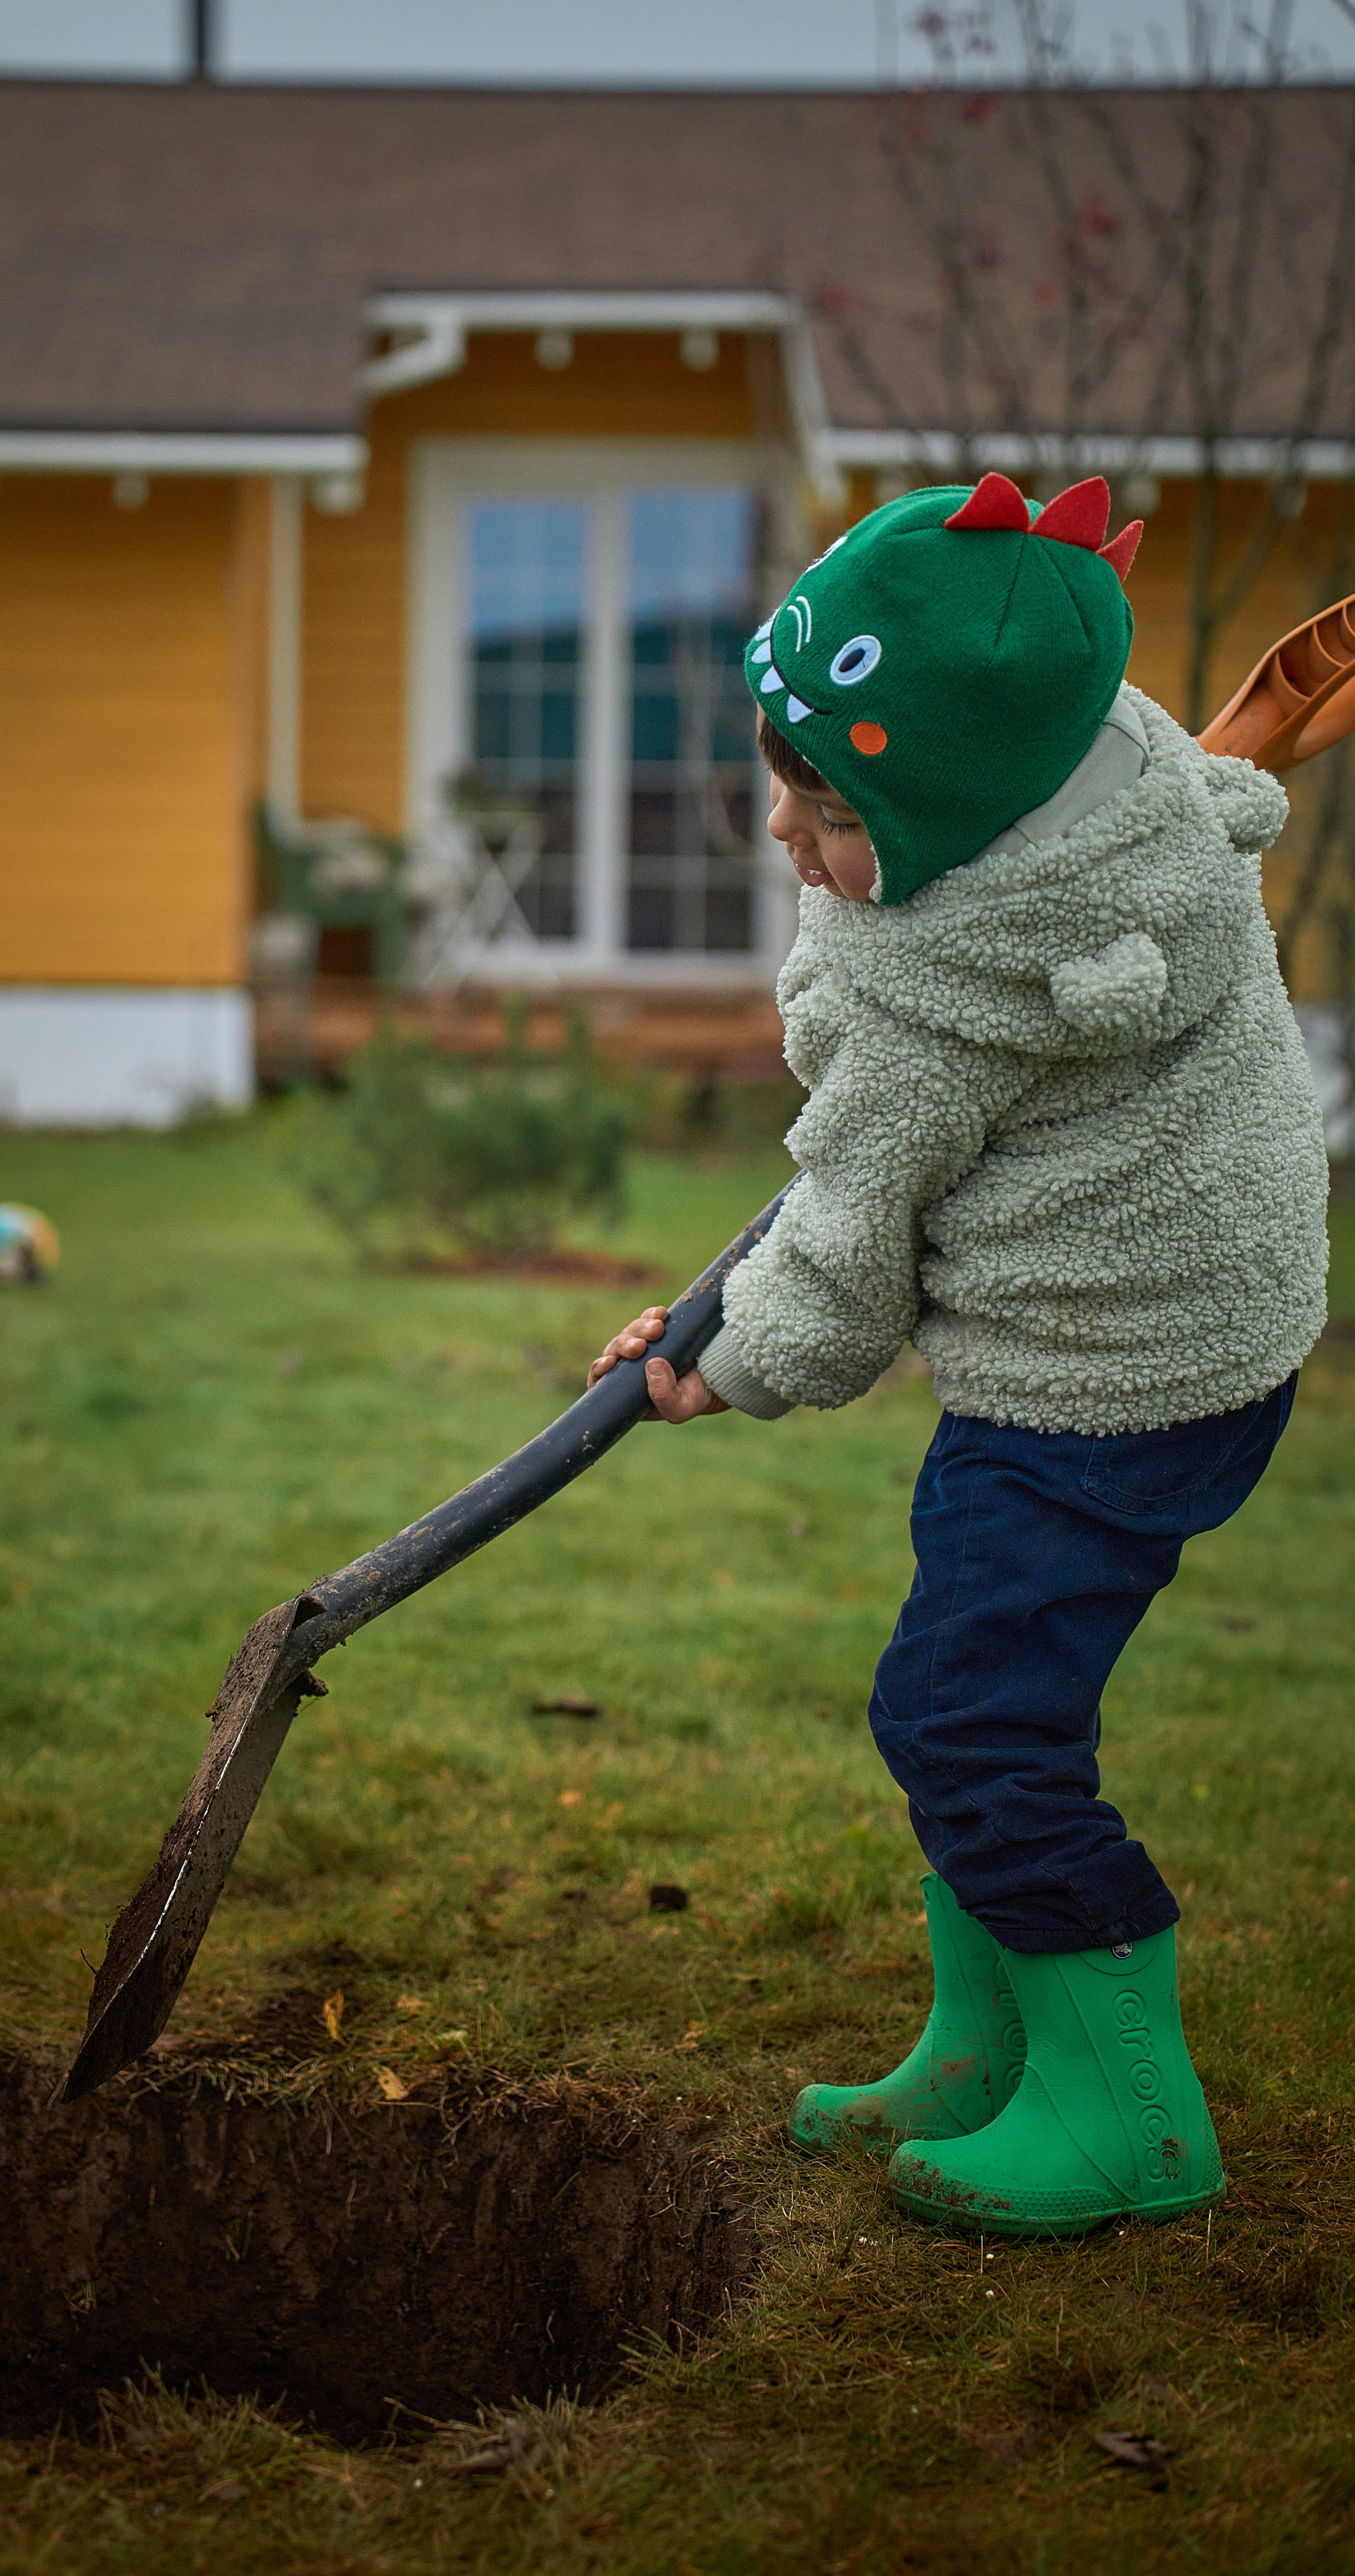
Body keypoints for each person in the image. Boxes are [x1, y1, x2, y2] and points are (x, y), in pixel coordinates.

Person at [587, 473, 1329, 2239]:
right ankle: (991, 2046)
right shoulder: (1112, 789)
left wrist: (717, 1365)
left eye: (833, 809)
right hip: (1195, 1332)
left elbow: (846, 1260)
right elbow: (866, 1178)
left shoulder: (949, 1001)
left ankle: (1132, 2115)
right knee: (981, 1693)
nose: (787, 833)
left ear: (946, 813)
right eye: (783, 781)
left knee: (965, 1719)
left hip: (1103, 1382)